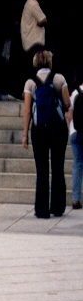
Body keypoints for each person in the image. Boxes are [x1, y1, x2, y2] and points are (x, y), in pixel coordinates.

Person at [22, 50, 71, 218]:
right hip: (58, 127)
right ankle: (57, 207)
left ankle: (41, 209)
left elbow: (28, 110)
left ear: (35, 63)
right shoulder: (59, 79)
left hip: (39, 129)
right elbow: (67, 103)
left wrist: (25, 134)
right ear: (50, 62)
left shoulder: (30, 83)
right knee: (58, 166)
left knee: (41, 169)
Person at [68, 81, 83, 210]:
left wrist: (72, 129)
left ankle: (76, 199)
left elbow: (70, 115)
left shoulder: (75, 93)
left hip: (75, 132)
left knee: (77, 164)